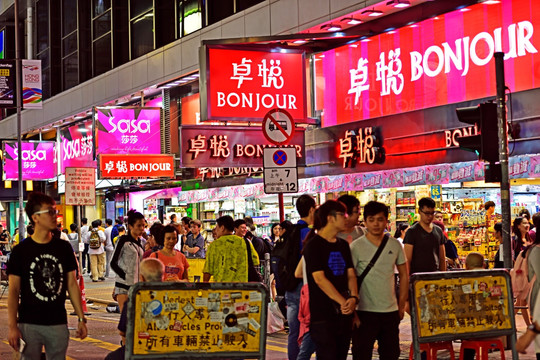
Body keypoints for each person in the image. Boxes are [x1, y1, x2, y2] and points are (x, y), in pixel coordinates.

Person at [7, 192, 87, 358]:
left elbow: (72, 284)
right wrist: (13, 327)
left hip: (57, 322)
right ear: (35, 218)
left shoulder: (63, 248)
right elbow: (13, 291)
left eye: (55, 211)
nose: (54, 216)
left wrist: (81, 318)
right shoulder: (20, 251)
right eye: (49, 212)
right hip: (28, 323)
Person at [350, 201, 408, 360]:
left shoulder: (395, 245)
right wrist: (353, 311)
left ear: (386, 221)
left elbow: (404, 275)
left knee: (391, 354)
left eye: (380, 219)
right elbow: (350, 278)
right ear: (365, 221)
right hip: (363, 312)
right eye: (371, 219)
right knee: (361, 355)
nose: (376, 223)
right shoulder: (356, 247)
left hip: (390, 312)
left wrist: (401, 304)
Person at [302, 200, 358, 360]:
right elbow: (320, 279)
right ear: (331, 218)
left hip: (344, 315)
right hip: (323, 316)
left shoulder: (343, 245)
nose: (346, 218)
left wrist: (353, 298)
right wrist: (343, 302)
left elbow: (351, 274)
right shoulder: (313, 246)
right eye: (343, 215)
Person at [105, 257, 165, 360]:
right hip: (167, 347)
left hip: (139, 349)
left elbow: (122, 331)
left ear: (141, 278)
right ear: (162, 277)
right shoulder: (172, 299)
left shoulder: (134, 300)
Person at [282, 194, 316, 360]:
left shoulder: (290, 231)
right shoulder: (309, 234)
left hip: (290, 288)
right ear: (312, 210)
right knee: (311, 331)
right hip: (306, 289)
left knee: (294, 333)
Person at [203, 215, 259, 282]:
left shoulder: (214, 245)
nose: (215, 231)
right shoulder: (245, 242)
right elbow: (256, 261)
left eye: (217, 228)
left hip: (221, 288)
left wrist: (204, 287)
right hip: (242, 287)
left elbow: (207, 271)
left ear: (222, 228)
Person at [111, 209, 145, 312]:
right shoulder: (123, 241)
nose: (142, 228)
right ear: (130, 226)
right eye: (139, 225)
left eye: (143, 225)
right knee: (125, 320)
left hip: (137, 287)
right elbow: (113, 263)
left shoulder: (141, 242)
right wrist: (124, 276)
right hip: (123, 287)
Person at [403, 197, 446, 275]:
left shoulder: (438, 231)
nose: (430, 216)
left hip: (435, 275)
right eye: (427, 213)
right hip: (417, 277)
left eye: (432, 213)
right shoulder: (411, 232)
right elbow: (407, 260)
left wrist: (443, 276)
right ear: (419, 211)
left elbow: (442, 258)